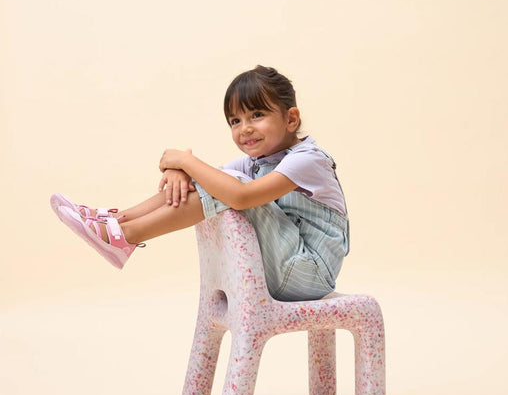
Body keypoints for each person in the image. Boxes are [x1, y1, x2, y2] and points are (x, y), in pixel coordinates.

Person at [51, 65, 350, 302]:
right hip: (280, 267)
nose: (245, 129)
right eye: (235, 121)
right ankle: (117, 221)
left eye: (257, 115)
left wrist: (185, 161)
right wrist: (181, 170)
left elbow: (241, 196)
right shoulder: (258, 162)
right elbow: (207, 181)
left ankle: (126, 236)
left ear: (291, 119)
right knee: (219, 182)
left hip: (309, 274)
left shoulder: (308, 159)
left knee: (230, 185)